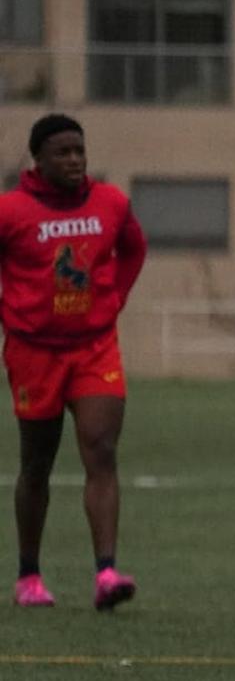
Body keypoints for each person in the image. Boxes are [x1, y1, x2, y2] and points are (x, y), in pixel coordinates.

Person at [0, 114, 146, 609]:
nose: (74, 160)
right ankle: (29, 576)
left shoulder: (111, 203)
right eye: (62, 152)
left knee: (101, 450)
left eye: (79, 150)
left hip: (93, 347)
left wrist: (116, 298)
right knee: (37, 463)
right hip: (33, 352)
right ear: (37, 160)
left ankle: (106, 573)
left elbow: (134, 247)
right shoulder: (11, 211)